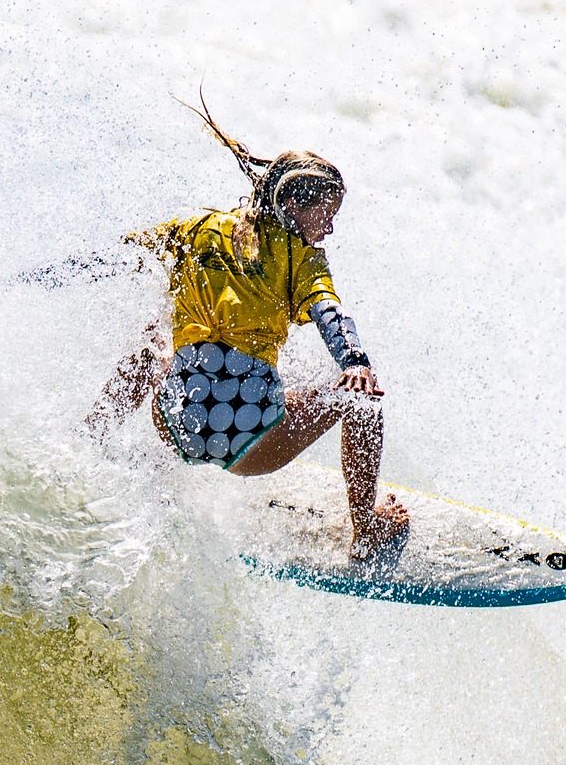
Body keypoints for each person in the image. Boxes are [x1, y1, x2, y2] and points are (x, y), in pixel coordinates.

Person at [79, 101, 409, 562]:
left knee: (157, 343)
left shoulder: (196, 228)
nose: (331, 228)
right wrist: (355, 362)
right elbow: (330, 314)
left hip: (173, 425)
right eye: (326, 215)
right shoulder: (302, 258)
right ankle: (367, 529)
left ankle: (88, 441)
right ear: (292, 205)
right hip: (248, 448)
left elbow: (106, 260)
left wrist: (11, 282)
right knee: (361, 399)